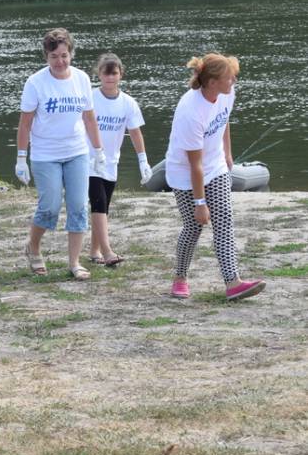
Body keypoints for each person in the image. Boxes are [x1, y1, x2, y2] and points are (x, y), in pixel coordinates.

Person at [165, 53, 265, 301]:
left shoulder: (227, 93)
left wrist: (227, 154)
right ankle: (180, 277)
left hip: (216, 165)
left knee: (224, 221)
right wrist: (200, 203)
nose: (233, 80)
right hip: (185, 172)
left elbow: (224, 120)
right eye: (229, 77)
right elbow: (194, 164)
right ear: (212, 82)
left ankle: (233, 283)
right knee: (194, 226)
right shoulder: (190, 110)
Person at [15, 28, 106, 280]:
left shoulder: (81, 79)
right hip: (45, 153)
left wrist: (98, 150)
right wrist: (21, 157)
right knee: (50, 207)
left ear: (71, 54)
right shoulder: (35, 83)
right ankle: (33, 246)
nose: (60, 61)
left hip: (76, 151)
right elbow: (25, 123)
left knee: (78, 206)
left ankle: (74, 263)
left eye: (64, 55)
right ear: (46, 56)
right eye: (54, 56)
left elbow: (89, 117)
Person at [87, 53, 153, 267]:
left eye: (114, 73)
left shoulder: (128, 103)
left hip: (111, 162)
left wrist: (143, 160)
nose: (109, 78)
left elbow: (135, 132)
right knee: (98, 202)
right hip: (89, 160)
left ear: (121, 75)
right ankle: (107, 252)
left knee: (104, 206)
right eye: (105, 74)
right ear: (98, 74)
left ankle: (94, 250)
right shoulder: (90, 98)